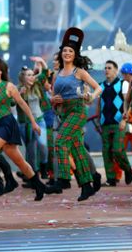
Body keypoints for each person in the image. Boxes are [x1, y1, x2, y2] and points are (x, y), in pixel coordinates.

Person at [0, 58, 53, 201]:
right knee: (19, 161)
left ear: (1, 71)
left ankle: (10, 179)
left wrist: (33, 123)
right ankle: (38, 185)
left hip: (6, 123)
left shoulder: (8, 86)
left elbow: (22, 104)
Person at [50, 27, 102, 201]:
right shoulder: (56, 75)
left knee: (60, 141)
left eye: (70, 51)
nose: (67, 53)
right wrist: (54, 100)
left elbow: (98, 88)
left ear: (75, 54)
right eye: (64, 50)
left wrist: (91, 96)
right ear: (61, 54)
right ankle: (87, 186)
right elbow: (52, 98)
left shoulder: (79, 72)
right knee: (77, 149)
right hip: (63, 112)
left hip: (78, 110)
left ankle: (63, 179)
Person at [96, 60, 132, 186]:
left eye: (109, 68)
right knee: (106, 152)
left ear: (116, 70)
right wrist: (97, 119)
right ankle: (111, 179)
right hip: (105, 122)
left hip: (119, 122)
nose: (106, 70)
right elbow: (98, 103)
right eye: (105, 68)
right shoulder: (100, 86)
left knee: (117, 150)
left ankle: (127, 169)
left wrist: (124, 119)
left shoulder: (123, 84)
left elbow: (129, 103)